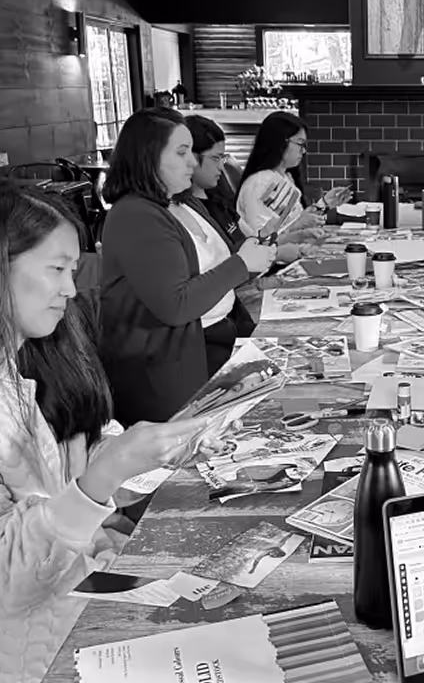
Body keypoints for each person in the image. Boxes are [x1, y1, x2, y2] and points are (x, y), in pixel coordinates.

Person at [0, 181, 227, 683]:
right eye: (56, 269)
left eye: (73, 271)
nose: (70, 290)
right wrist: (105, 478)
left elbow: (71, 467)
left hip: (72, 603)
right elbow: (9, 580)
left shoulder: (34, 362)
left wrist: (149, 459)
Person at [100, 108, 275, 426]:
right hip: (169, 370)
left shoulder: (179, 203)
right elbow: (176, 305)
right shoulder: (135, 216)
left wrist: (249, 259)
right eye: (181, 153)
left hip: (215, 341)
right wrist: (240, 264)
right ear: (147, 157)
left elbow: (215, 270)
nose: (192, 162)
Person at [184, 114, 302, 264]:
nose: (221, 166)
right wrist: (276, 253)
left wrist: (293, 236)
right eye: (215, 158)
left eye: (223, 158)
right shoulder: (261, 181)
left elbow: (254, 240)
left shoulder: (219, 200)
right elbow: (224, 263)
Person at [236, 111, 352, 238]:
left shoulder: (285, 177)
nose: (304, 150)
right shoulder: (260, 182)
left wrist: (324, 204)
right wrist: (297, 225)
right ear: (280, 141)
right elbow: (260, 238)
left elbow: (293, 220)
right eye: (300, 143)